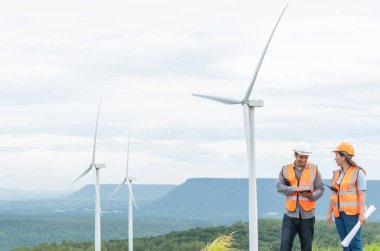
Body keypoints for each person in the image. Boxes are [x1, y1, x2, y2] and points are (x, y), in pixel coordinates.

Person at [277, 141, 324, 251]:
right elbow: (279, 187)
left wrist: (311, 196)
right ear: (295, 155)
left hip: (307, 215)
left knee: (307, 247)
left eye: (306, 157)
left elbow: (321, 189)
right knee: (285, 246)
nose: (303, 160)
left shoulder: (314, 169)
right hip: (290, 215)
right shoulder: (285, 169)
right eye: (301, 157)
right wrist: (293, 189)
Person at [326, 142, 366, 251]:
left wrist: (362, 214)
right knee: (345, 243)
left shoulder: (358, 172)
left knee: (355, 243)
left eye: (337, 155)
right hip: (338, 214)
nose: (335, 158)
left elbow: (362, 195)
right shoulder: (336, 174)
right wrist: (330, 212)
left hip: (352, 214)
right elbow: (334, 194)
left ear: (343, 157)